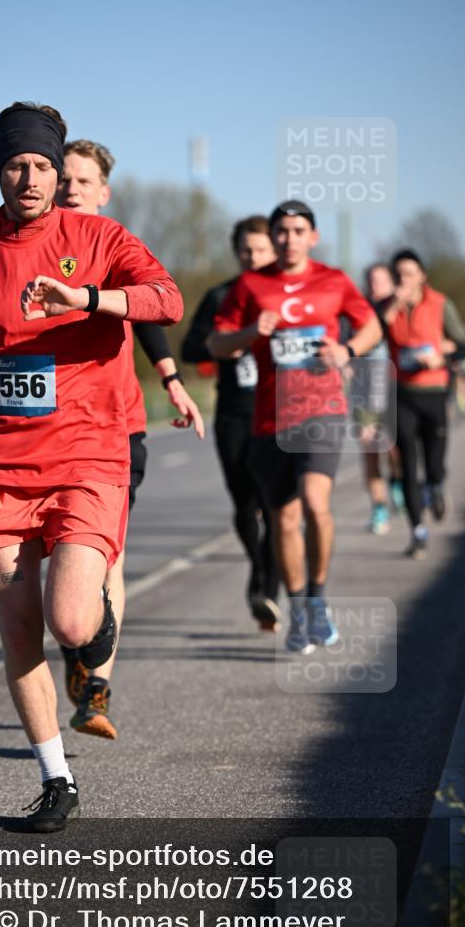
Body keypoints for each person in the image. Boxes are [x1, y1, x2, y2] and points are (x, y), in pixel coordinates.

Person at [0, 102, 183, 831]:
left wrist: (85, 298)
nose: (29, 177)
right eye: (16, 164)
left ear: (59, 174)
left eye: (43, 166)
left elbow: (165, 299)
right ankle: (56, 780)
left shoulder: (100, 235)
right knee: (18, 627)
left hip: (86, 455)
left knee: (70, 619)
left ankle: (96, 630)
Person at [55, 139, 204, 739]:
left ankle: (96, 691)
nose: (70, 189)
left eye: (82, 181)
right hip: (39, 436)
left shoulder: (113, 245)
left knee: (106, 552)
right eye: (62, 178)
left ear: (103, 191)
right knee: (58, 574)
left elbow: (147, 313)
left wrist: (173, 381)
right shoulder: (22, 245)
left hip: (112, 426)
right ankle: (76, 644)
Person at [208, 200, 381, 655]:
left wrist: (346, 350)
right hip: (269, 418)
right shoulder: (249, 285)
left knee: (315, 503)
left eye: (298, 230)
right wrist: (249, 333)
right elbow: (215, 342)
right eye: (281, 231)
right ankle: (301, 609)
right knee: (283, 519)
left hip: (322, 409)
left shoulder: (334, 281)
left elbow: (372, 326)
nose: (288, 239)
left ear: (312, 237)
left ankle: (319, 599)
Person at [181, 215, 281, 630]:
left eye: (261, 249)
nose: (253, 257)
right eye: (246, 249)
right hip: (235, 416)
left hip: (279, 414)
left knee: (276, 508)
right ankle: (259, 568)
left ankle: (265, 591)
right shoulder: (220, 295)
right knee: (244, 505)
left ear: (275, 250)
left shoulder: (288, 295)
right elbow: (190, 349)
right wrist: (226, 346)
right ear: (235, 251)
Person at [380, 249, 465, 559]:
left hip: (433, 394)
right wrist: (391, 308)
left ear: (422, 276)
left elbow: (464, 344)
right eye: (398, 274)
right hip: (401, 394)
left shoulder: (440, 303)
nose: (404, 279)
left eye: (409, 273)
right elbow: (369, 336)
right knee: (407, 465)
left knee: (433, 464)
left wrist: (440, 357)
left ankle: (437, 485)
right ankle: (417, 531)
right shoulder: (386, 307)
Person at [352, 263, 401, 535]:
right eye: (371, 281)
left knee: (394, 449)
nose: (375, 286)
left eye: (381, 281)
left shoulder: (401, 311)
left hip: (394, 388)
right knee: (370, 450)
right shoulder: (357, 311)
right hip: (364, 388)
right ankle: (379, 508)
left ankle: (397, 480)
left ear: (392, 284)